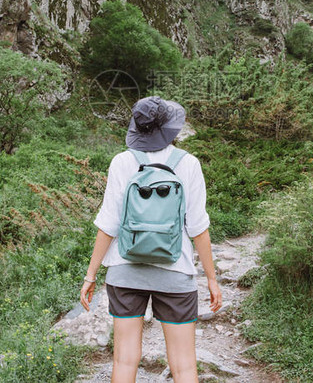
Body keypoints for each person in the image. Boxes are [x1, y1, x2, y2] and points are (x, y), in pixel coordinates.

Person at [80, 96, 222, 383]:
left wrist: (91, 275)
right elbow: (198, 227)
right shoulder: (189, 164)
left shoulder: (122, 162)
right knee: (184, 366)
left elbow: (108, 223)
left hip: (124, 270)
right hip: (175, 272)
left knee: (123, 360)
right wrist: (211, 278)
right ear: (169, 128)